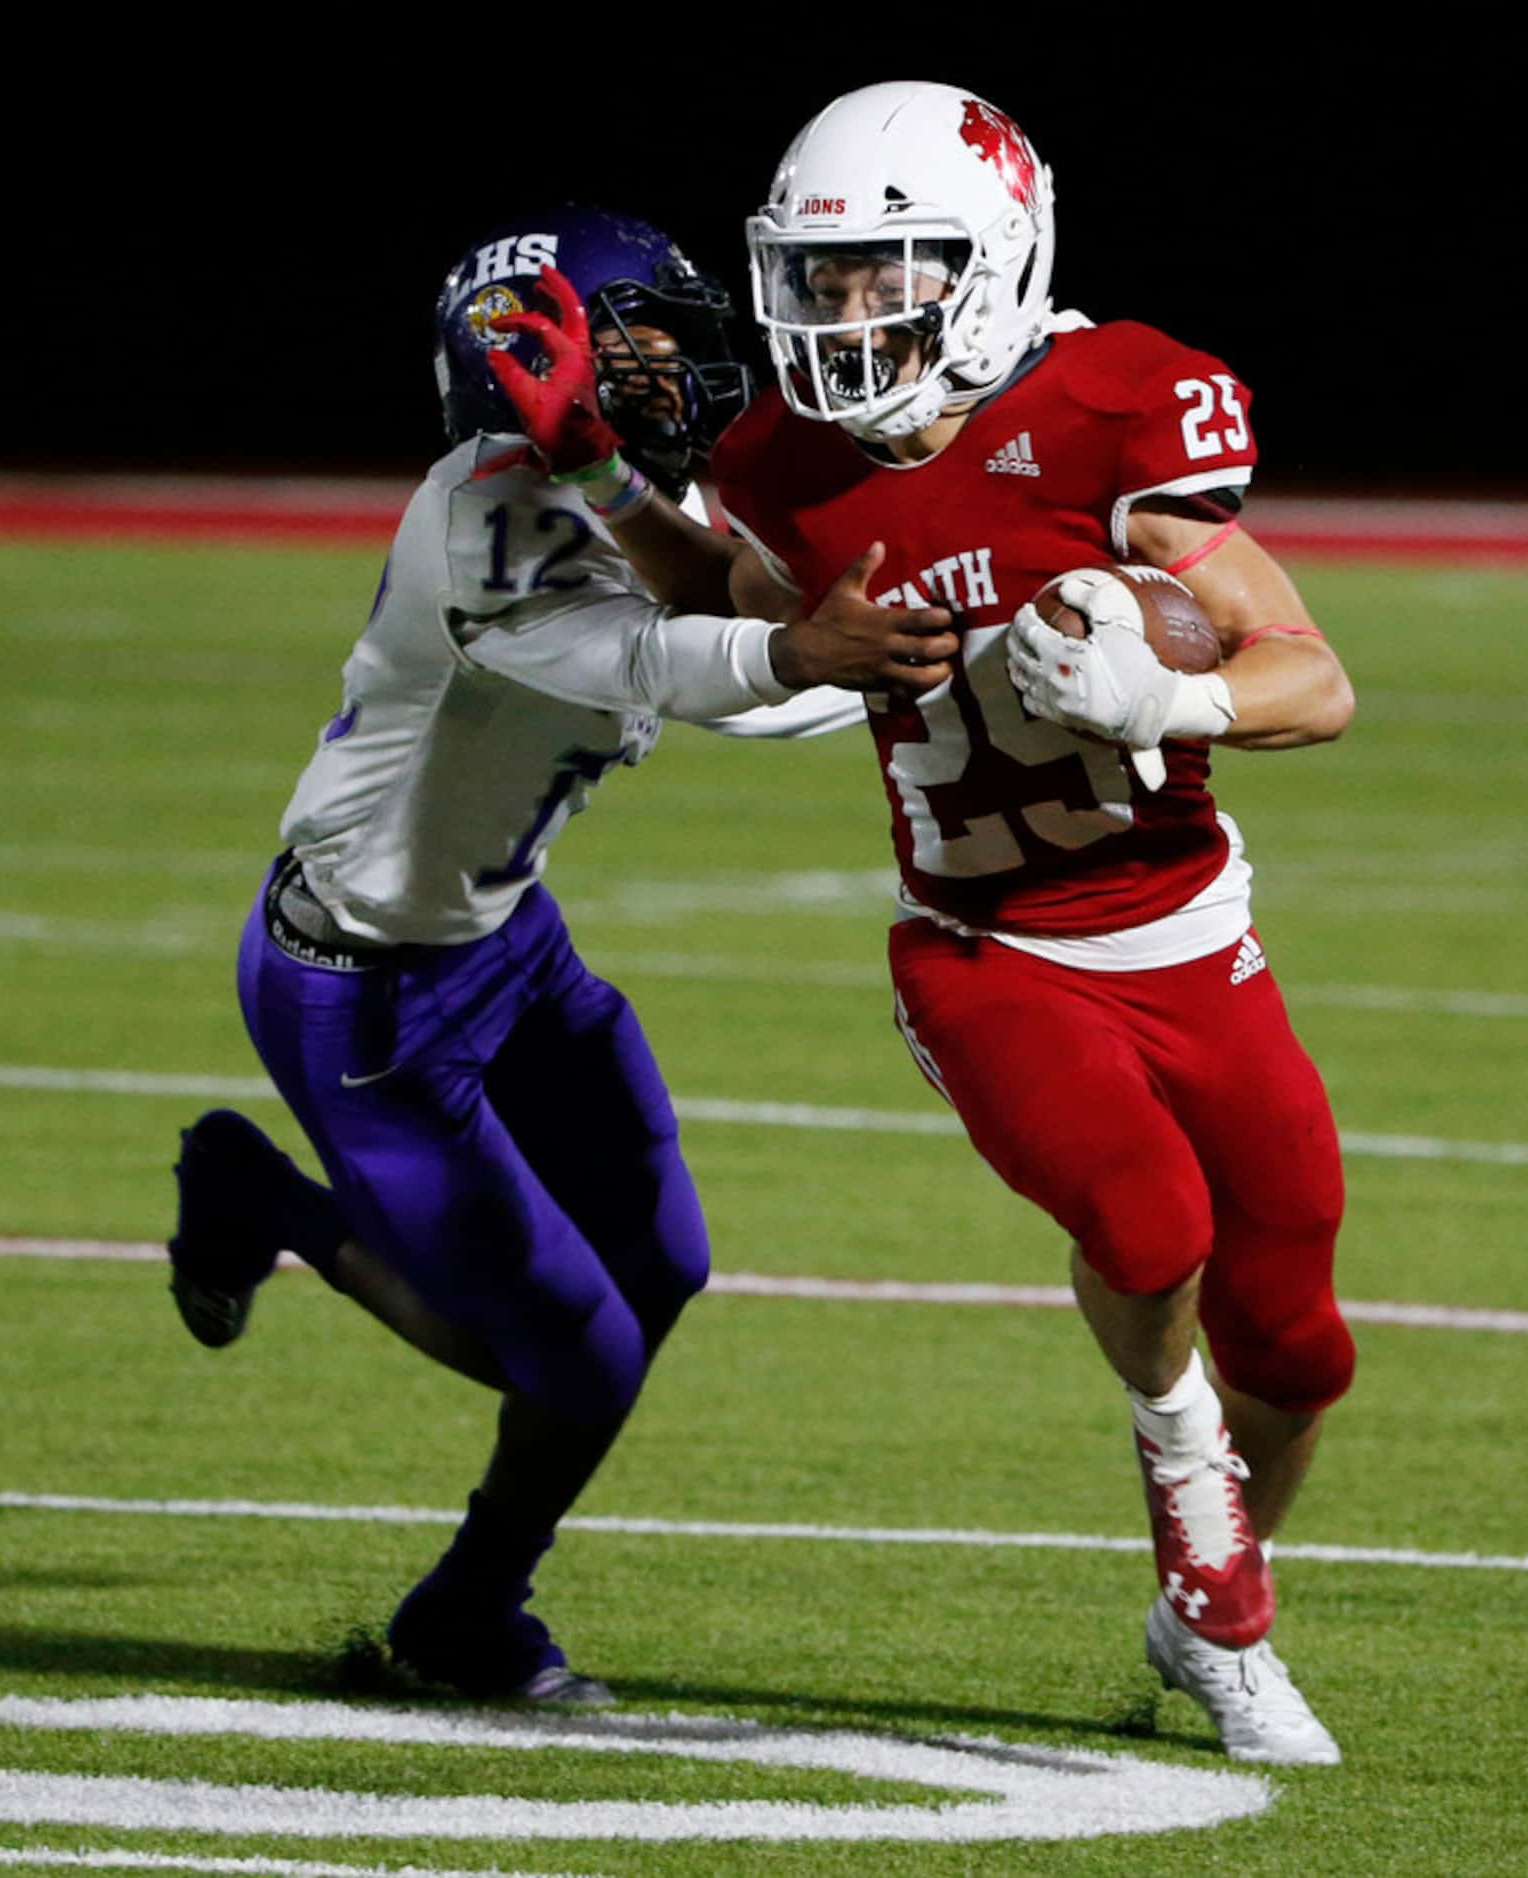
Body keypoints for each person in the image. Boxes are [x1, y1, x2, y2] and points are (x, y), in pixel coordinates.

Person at [514, 86, 1356, 1762]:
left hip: (1189, 926)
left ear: (989, 262)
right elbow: (736, 596)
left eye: (881, 275)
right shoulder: (786, 463)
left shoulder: (1117, 406)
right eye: (817, 284)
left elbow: (1315, 680)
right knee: (1148, 1221)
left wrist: (1157, 688)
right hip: (986, 947)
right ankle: (1216, 1563)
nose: (843, 319)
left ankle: (1199, 1605)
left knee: (1303, 1341)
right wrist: (600, 469)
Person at [164, 205, 954, 1705]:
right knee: (572, 1360)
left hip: (503, 944)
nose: (681, 361)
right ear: (538, 356)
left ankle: (275, 1212)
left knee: (663, 1267)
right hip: (367, 989)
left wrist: (927, 659)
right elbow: (674, 660)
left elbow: (746, 611)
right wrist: (824, 661)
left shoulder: (612, 485)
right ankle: (460, 1607)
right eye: (643, 331)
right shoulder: (485, 519)